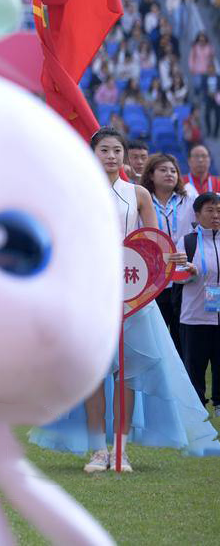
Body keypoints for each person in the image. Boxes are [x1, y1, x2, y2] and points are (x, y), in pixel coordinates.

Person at [29, 128, 220, 471]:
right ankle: (97, 451)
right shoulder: (77, 192)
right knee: (94, 371)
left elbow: (155, 244)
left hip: (132, 295)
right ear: (93, 153)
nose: (112, 156)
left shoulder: (138, 194)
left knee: (127, 372)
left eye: (117, 150)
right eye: (105, 150)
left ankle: (120, 450)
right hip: (90, 292)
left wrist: (171, 258)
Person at [141, 153, 194, 356]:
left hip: (183, 277)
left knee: (182, 338)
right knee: (157, 336)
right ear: (151, 175)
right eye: (163, 170)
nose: (169, 174)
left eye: (173, 170)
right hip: (153, 278)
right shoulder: (142, 201)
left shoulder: (189, 202)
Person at [181, 193, 220, 407]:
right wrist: (190, 272)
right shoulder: (187, 241)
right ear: (197, 214)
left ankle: (219, 404)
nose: (215, 216)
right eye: (210, 210)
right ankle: (196, 407)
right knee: (195, 366)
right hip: (195, 316)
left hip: (219, 316)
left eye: (219, 211)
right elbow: (176, 276)